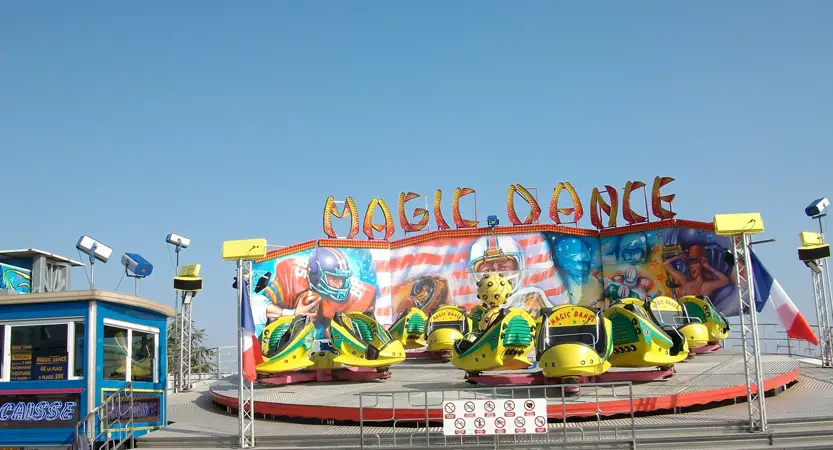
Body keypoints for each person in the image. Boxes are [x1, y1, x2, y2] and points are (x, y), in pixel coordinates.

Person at [663, 245, 730, 298]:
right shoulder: (683, 280)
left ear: (701, 264)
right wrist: (679, 257)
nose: (691, 266)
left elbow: (725, 280)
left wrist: (708, 267)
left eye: (695, 263)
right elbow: (666, 264)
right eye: (690, 263)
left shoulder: (705, 286)